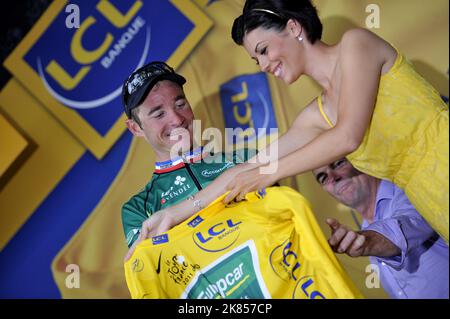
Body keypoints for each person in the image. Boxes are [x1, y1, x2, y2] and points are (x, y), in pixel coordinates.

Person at [131, 0, 449, 245]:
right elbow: (247, 167)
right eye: (257, 60)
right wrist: (173, 213)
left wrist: (265, 174)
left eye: (264, 50)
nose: (265, 65)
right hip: (433, 204)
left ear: (294, 27)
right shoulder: (315, 116)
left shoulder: (356, 44)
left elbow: (347, 136)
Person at [121, 61, 255, 258]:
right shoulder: (138, 208)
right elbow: (154, 269)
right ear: (135, 128)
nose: (176, 119)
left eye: (180, 104)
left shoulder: (244, 158)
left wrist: (179, 214)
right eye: (159, 114)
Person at [312, 158, 449, 299]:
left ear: (360, 160)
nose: (333, 178)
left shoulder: (406, 191)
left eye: (338, 164)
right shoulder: (364, 228)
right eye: (323, 178)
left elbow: (408, 225)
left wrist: (367, 242)